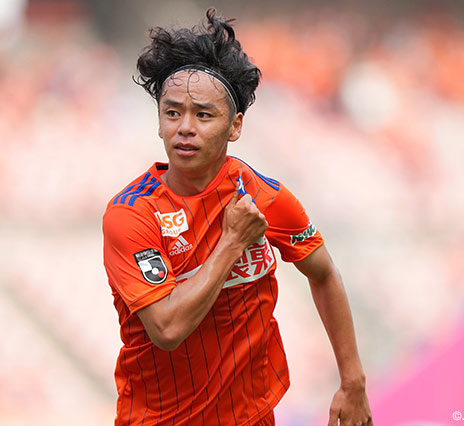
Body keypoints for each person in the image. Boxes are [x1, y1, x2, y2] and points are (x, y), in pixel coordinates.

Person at [102, 8, 373, 426]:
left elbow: (323, 273)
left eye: (203, 115)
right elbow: (167, 330)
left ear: (235, 127)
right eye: (172, 113)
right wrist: (233, 241)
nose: (184, 127)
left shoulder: (265, 195)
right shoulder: (131, 214)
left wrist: (352, 381)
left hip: (252, 417)